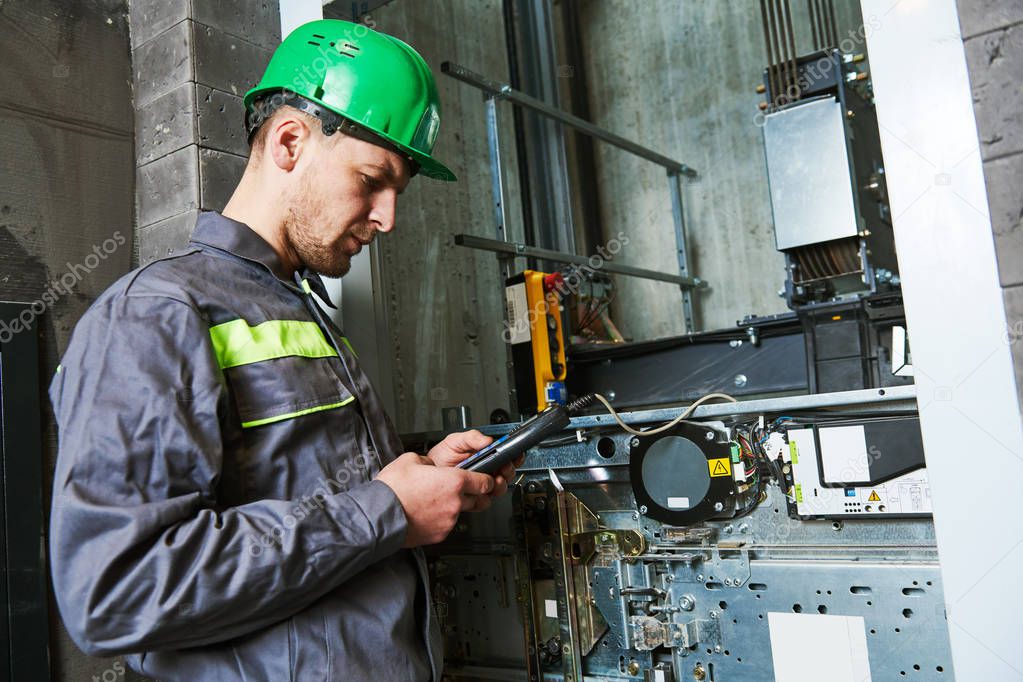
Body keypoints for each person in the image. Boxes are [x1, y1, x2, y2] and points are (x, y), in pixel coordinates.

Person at [48, 18, 515, 681]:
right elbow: (116, 592)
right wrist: (385, 511)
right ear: (290, 141)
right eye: (372, 179)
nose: (387, 217)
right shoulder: (154, 314)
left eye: (396, 193)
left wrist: (420, 478)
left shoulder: (299, 307)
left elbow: (314, 502)